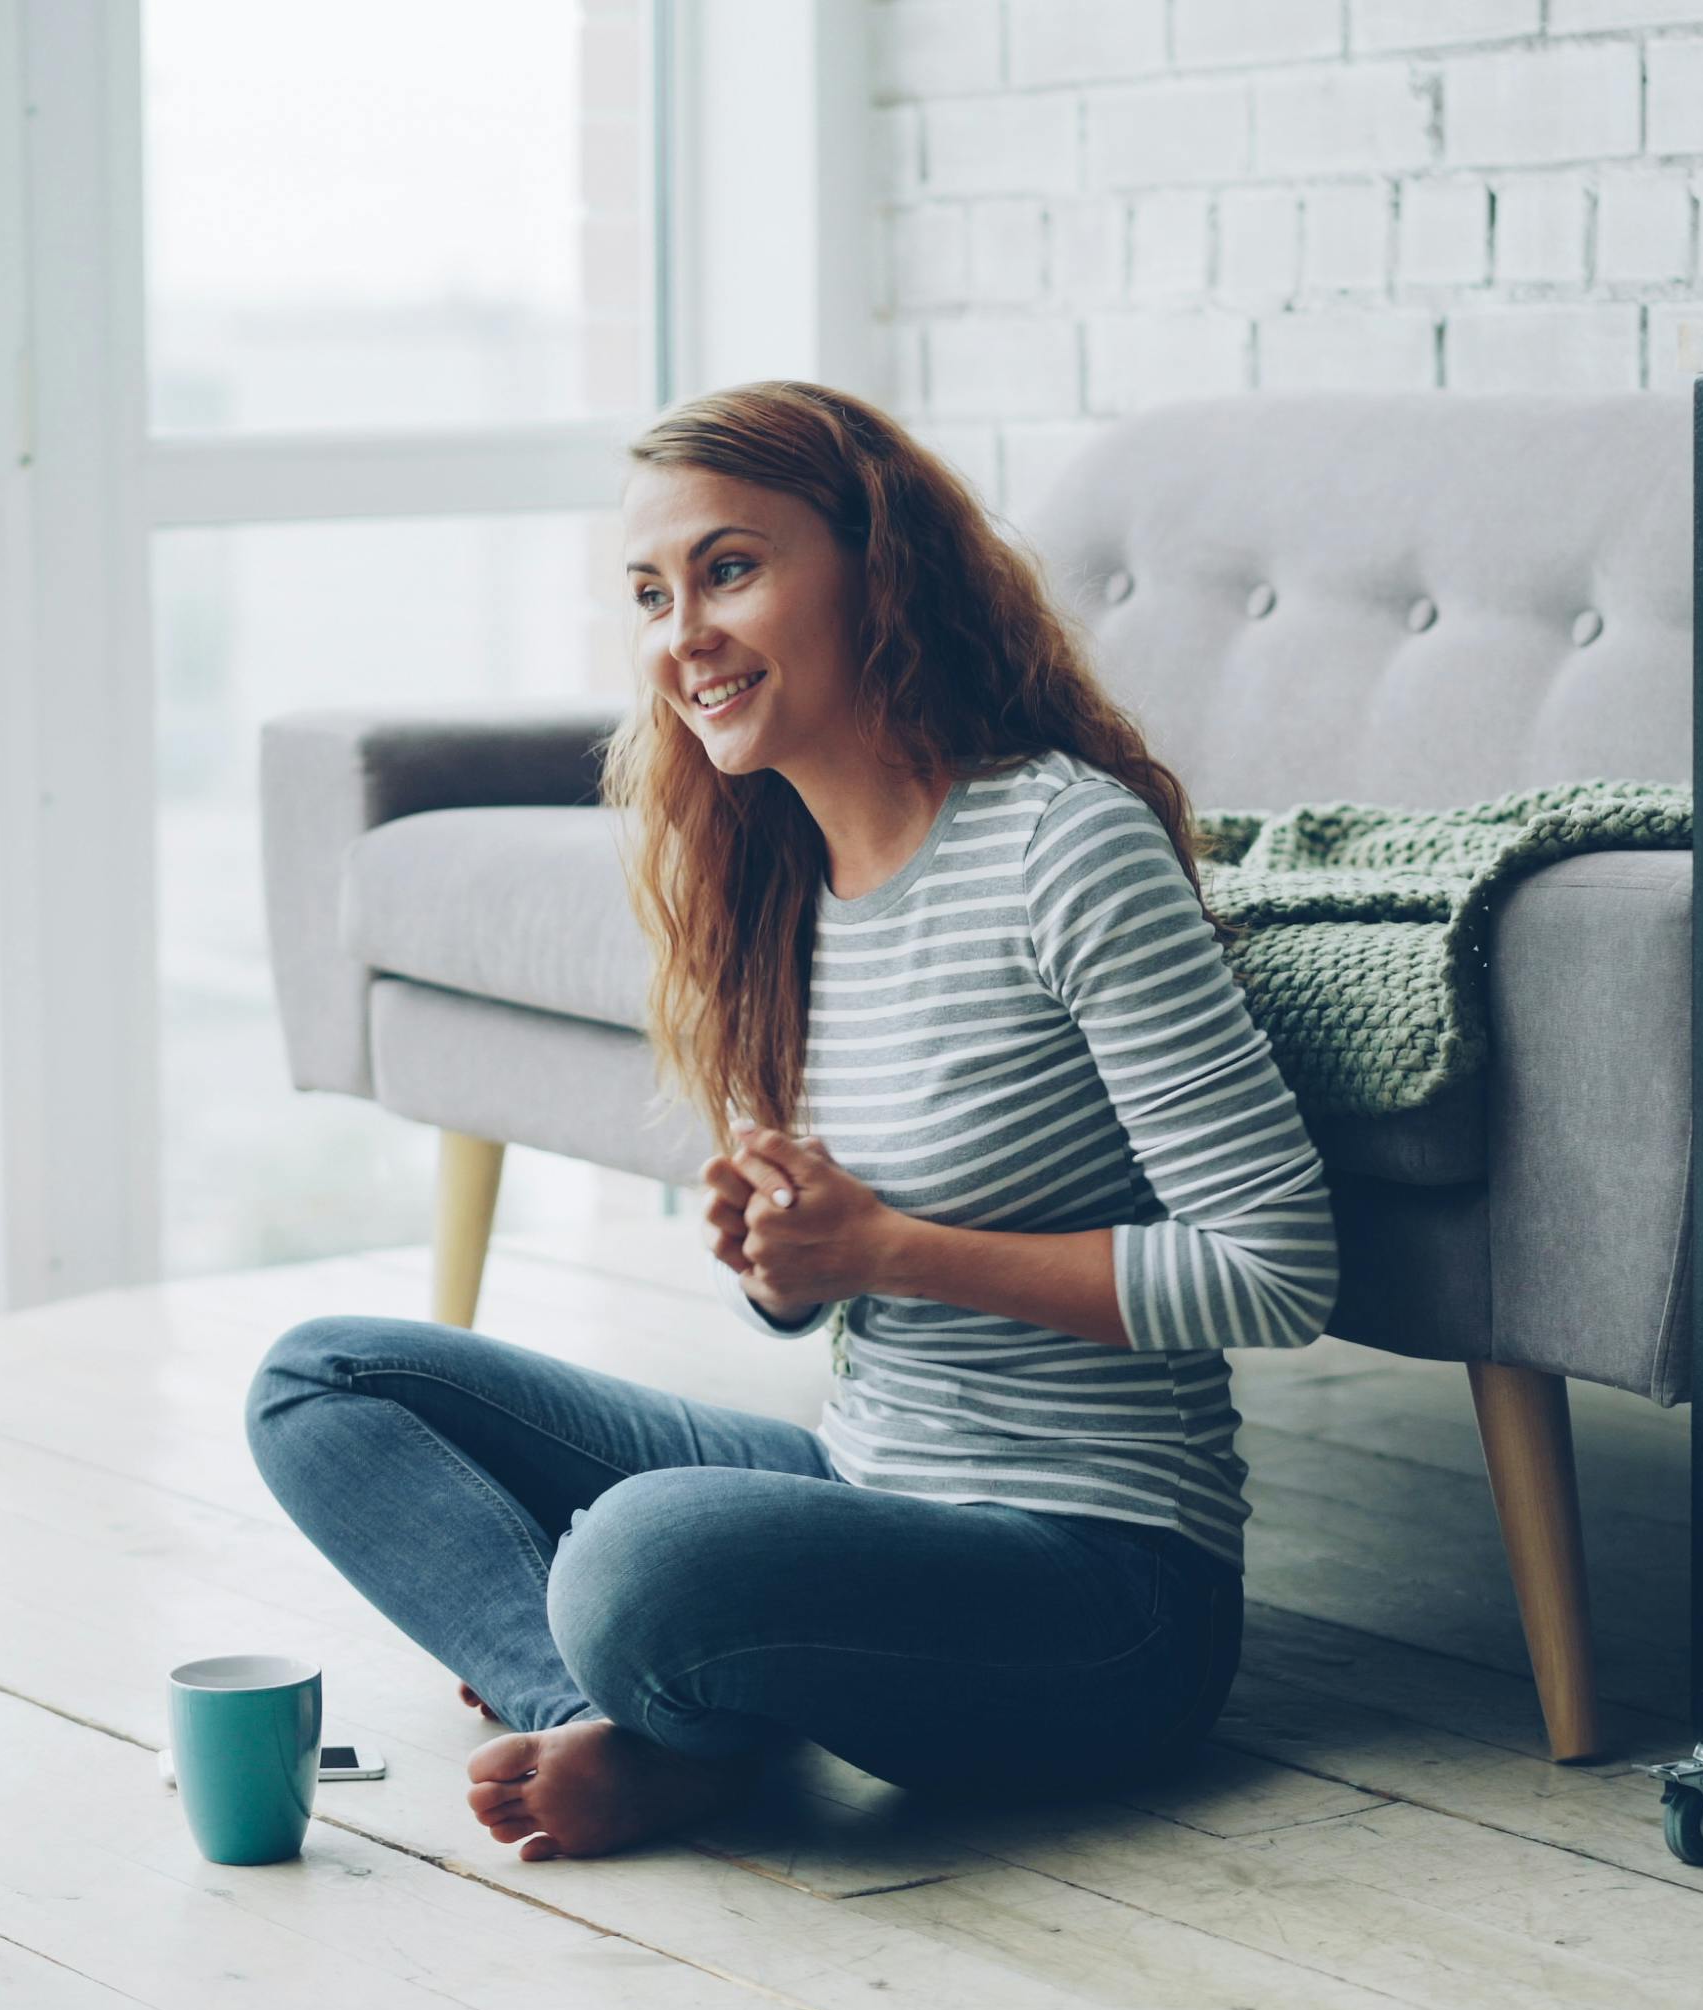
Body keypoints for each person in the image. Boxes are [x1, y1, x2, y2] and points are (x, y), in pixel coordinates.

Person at [246, 380, 1338, 1861]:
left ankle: (656, 1705)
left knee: (640, 1558)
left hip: (1102, 1593)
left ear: (880, 563)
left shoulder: (1063, 843)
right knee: (324, 1381)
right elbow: (827, 1288)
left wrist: (887, 1248)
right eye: (649, 593)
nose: (680, 631)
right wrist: (787, 1265)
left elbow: (1274, 1267)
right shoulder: (768, 884)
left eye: (729, 569)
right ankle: (616, 1719)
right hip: (865, 1479)